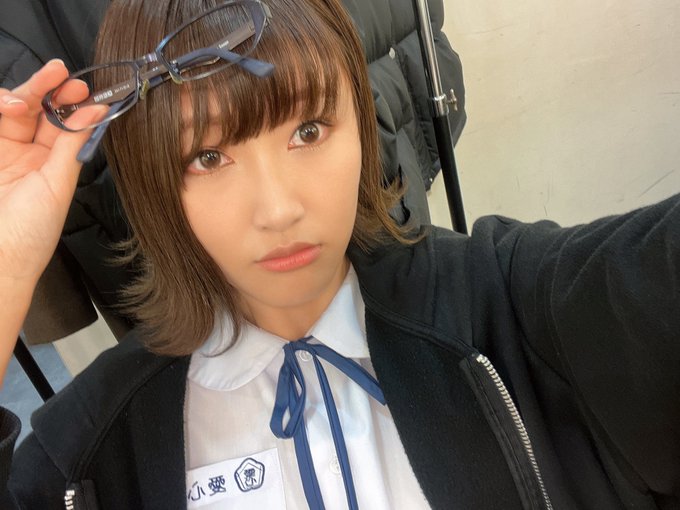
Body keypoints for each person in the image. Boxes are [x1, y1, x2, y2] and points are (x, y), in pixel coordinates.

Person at [0, 0, 678, 508]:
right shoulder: (90, 451)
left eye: (309, 130)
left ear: (361, 120)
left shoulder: (513, 310)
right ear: (153, 181)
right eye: (207, 157)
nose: (278, 209)